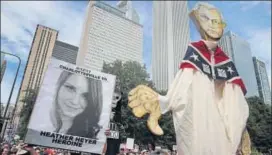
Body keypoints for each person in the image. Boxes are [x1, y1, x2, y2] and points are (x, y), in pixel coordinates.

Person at [128, 2, 250, 155]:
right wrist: (162, 102)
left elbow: (237, 106)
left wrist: (242, 128)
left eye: (219, 22)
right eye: (211, 21)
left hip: (222, 134)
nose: (216, 26)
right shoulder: (195, 51)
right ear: (200, 23)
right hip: (199, 127)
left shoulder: (226, 62)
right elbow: (182, 89)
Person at [50, 71, 103, 139]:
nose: (75, 101)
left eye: (85, 96)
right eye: (70, 88)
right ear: (59, 86)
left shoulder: (92, 136)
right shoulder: (41, 121)